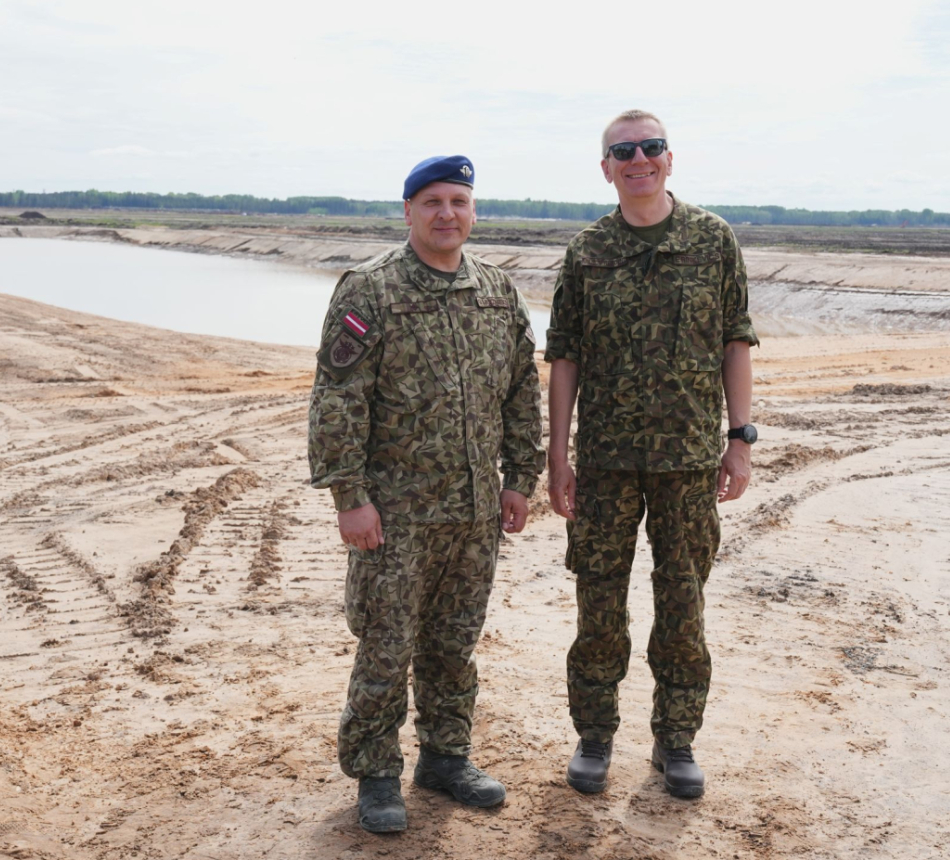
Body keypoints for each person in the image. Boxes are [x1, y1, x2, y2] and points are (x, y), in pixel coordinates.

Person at [308, 155, 544, 833]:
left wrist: (519, 478)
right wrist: (350, 496)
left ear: (473, 211)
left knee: (454, 643)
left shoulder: (496, 291)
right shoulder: (371, 290)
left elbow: (520, 391)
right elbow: (338, 400)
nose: (447, 214)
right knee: (386, 646)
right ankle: (376, 773)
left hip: (473, 511)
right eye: (433, 202)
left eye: (458, 201)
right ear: (408, 210)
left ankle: (445, 757)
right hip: (396, 513)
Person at [544, 110, 758, 799]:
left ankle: (676, 739)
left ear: (670, 158)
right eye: (624, 151)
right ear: (606, 168)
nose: (639, 159)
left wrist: (740, 439)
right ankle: (594, 735)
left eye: (651, 147)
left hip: (689, 461)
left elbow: (734, 341)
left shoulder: (712, 240)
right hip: (605, 461)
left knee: (683, 604)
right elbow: (565, 357)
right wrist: (557, 455)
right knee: (598, 604)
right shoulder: (588, 251)